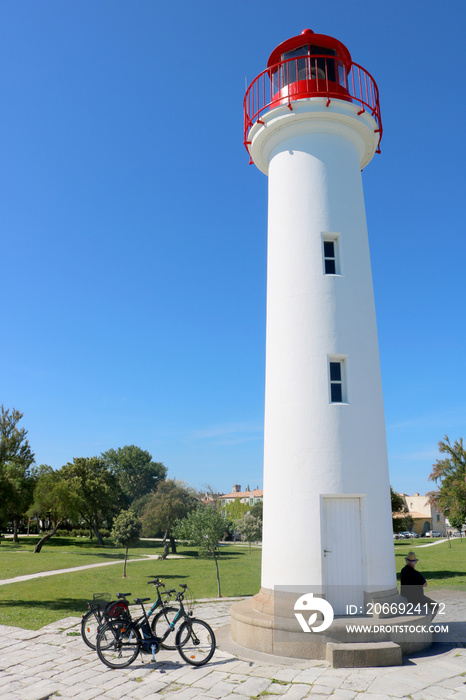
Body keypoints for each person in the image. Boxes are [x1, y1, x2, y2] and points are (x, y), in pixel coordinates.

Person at [400, 552, 437, 618]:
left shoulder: (403, 571)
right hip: (417, 598)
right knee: (435, 606)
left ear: (406, 561)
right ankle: (428, 624)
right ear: (415, 562)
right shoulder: (416, 574)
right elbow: (425, 584)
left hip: (405, 596)